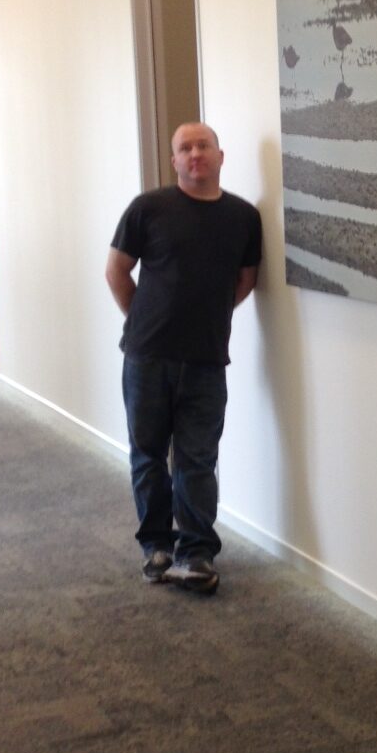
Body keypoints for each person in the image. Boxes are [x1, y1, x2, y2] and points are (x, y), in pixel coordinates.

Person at [105, 123, 262, 595]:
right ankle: (156, 545)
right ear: (174, 160)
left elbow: (245, 280)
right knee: (149, 455)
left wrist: (203, 319)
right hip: (146, 357)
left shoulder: (243, 217)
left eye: (203, 146)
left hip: (207, 360)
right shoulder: (147, 209)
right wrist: (146, 321)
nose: (195, 154)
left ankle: (195, 554)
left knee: (197, 458)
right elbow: (116, 271)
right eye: (185, 148)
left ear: (220, 155)